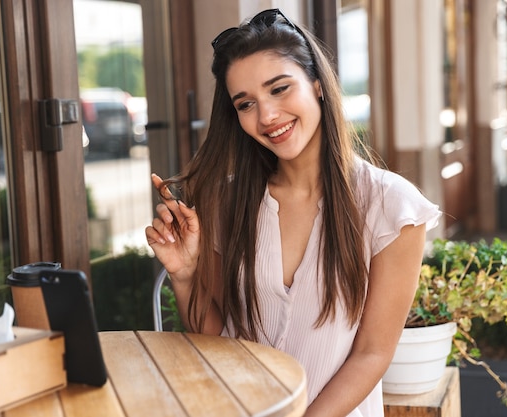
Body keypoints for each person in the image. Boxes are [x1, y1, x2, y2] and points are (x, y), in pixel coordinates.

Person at [145, 9, 441, 417]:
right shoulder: (226, 203)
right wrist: (184, 274)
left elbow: (372, 353)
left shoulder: (390, 206)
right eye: (246, 103)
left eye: (280, 89)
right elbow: (216, 338)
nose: (266, 116)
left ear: (317, 85)